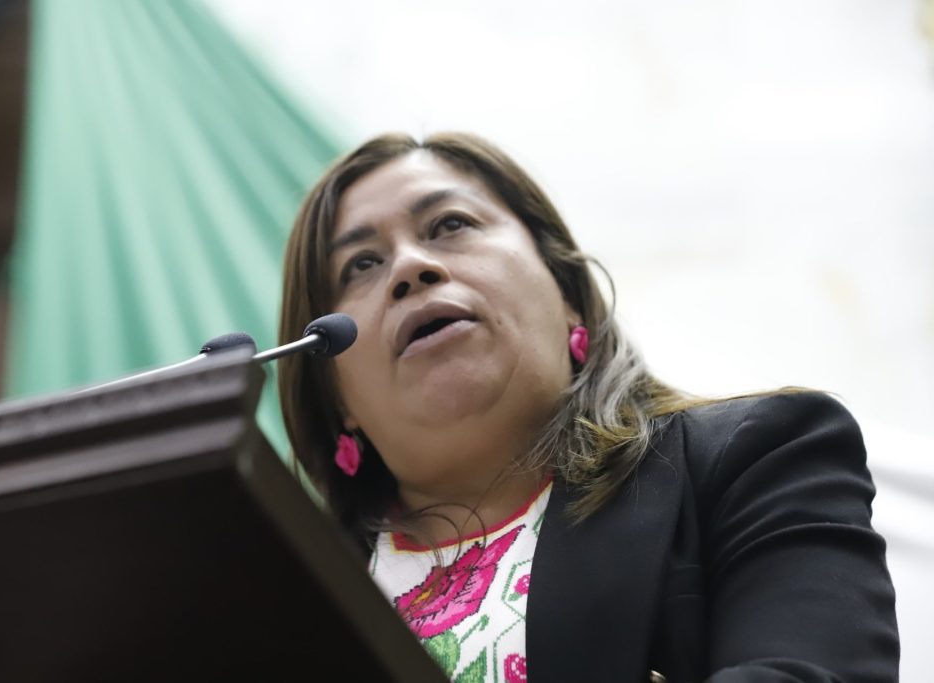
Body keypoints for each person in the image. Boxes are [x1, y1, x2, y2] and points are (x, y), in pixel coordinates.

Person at [276, 132, 899, 682]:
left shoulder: (755, 457)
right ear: (334, 394)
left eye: (450, 225)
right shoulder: (281, 596)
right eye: (361, 264)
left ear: (568, 292)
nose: (411, 267)